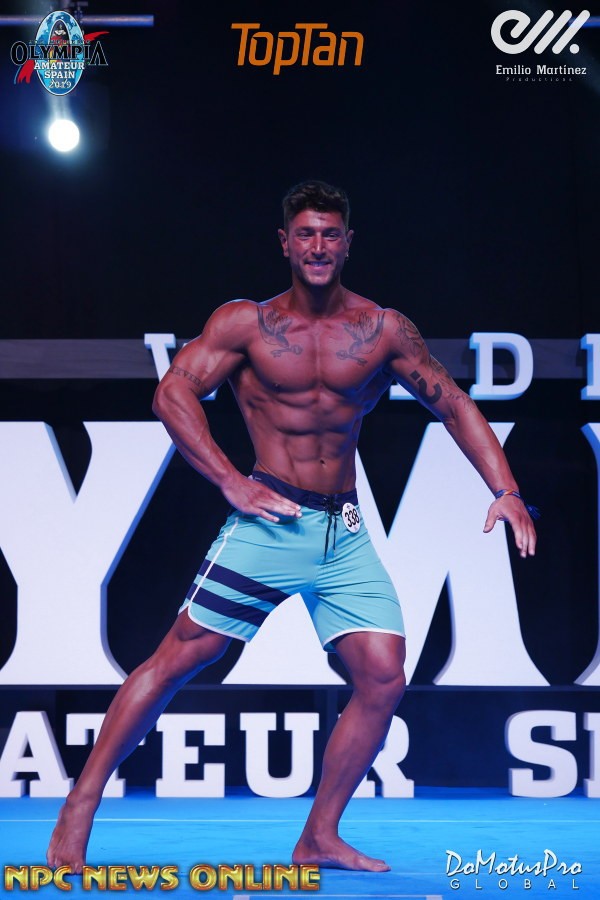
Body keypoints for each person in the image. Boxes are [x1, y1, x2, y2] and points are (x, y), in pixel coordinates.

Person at [47, 180, 537, 874]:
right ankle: (79, 806)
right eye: (305, 233)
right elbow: (172, 393)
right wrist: (229, 479)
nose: (317, 246)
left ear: (348, 243)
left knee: (383, 676)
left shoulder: (381, 329)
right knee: (178, 659)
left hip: (344, 534)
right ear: (285, 243)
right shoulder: (246, 324)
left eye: (330, 234)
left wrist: (505, 489)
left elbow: (453, 403)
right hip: (269, 523)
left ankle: (318, 836)